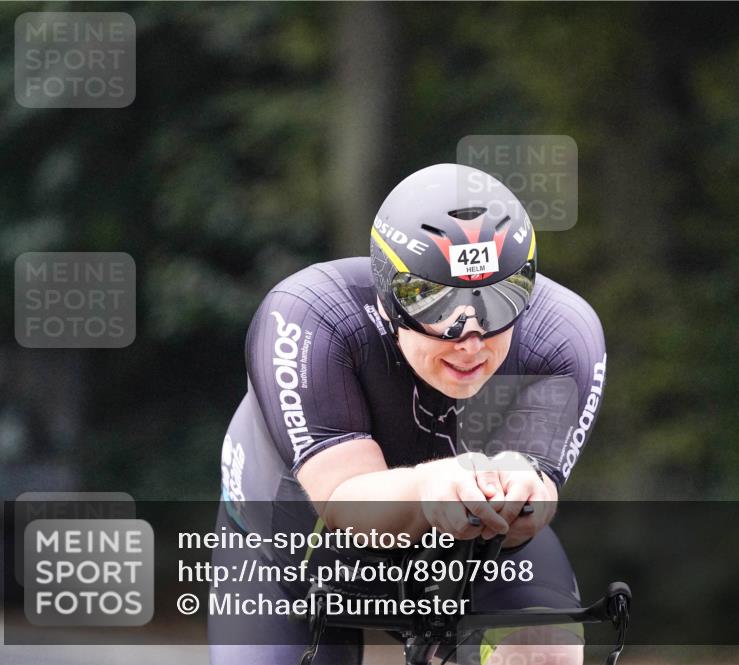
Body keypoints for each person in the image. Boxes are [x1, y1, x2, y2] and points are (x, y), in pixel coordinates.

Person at [209, 164, 608, 665]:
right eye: (437, 304)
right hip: (293, 543)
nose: (471, 339)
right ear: (388, 293)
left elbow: (532, 510)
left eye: (500, 299)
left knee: (541, 649)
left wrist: (521, 491)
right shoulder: (311, 315)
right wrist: (433, 487)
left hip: (463, 547)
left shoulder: (562, 335)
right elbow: (344, 503)